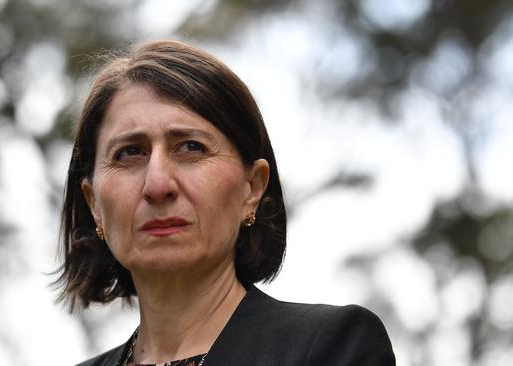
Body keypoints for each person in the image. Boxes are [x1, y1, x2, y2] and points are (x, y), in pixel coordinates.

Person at [55, 39, 396, 366]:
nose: (158, 185)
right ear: (94, 204)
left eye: (190, 147)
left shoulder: (330, 347)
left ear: (252, 189)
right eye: (130, 152)